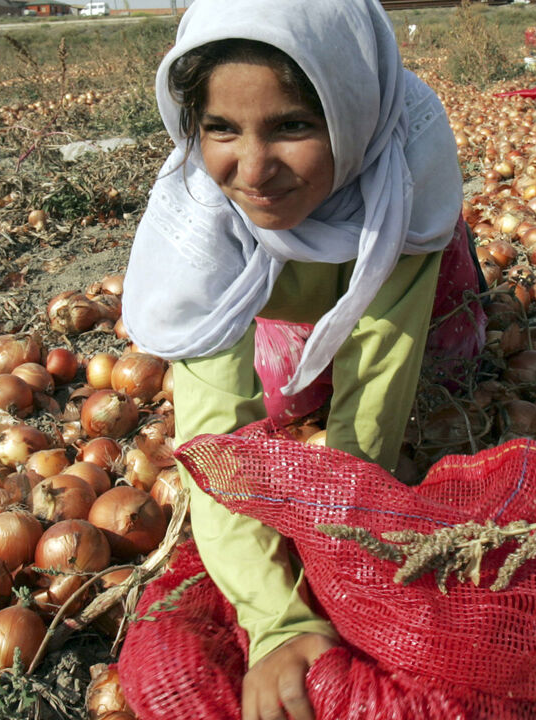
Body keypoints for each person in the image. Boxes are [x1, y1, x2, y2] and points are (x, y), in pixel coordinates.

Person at [120, 0, 479, 718]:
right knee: (283, 402)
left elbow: (377, 377)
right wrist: (275, 617)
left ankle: (460, 296)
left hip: (406, 269)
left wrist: (347, 540)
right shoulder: (203, 218)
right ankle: (300, 330)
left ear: (350, 114)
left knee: (450, 365)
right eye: (221, 127)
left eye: (292, 126)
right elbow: (218, 438)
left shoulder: (403, 151)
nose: (253, 170)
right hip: (282, 285)